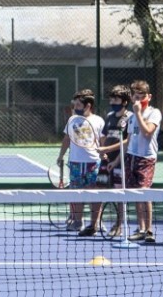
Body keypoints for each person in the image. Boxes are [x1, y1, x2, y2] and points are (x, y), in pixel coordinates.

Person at [109, 80, 162, 243]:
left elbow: (147, 133)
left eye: (142, 96)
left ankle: (149, 230)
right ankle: (140, 228)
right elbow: (128, 141)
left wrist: (138, 113)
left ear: (149, 97)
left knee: (145, 193)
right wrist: (116, 159)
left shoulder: (154, 113)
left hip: (146, 158)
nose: (139, 100)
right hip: (131, 157)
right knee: (135, 194)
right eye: (136, 97)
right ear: (132, 98)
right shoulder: (131, 118)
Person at [56, 89, 105, 236]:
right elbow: (66, 139)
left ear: (88, 105)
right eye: (75, 104)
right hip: (76, 163)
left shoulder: (98, 121)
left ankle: (95, 223)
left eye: (78, 104)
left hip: (93, 163)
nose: (75, 107)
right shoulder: (72, 120)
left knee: (94, 194)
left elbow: (103, 141)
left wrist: (105, 156)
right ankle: (78, 222)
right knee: (76, 193)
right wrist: (61, 155)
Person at [96, 84, 131, 238]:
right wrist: (102, 151)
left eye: (116, 99)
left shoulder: (130, 118)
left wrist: (115, 159)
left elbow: (127, 142)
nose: (112, 102)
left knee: (119, 193)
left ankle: (119, 225)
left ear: (124, 101)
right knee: (101, 189)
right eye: (111, 99)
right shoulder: (109, 116)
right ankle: (96, 223)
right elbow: (104, 136)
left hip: (120, 161)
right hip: (106, 161)